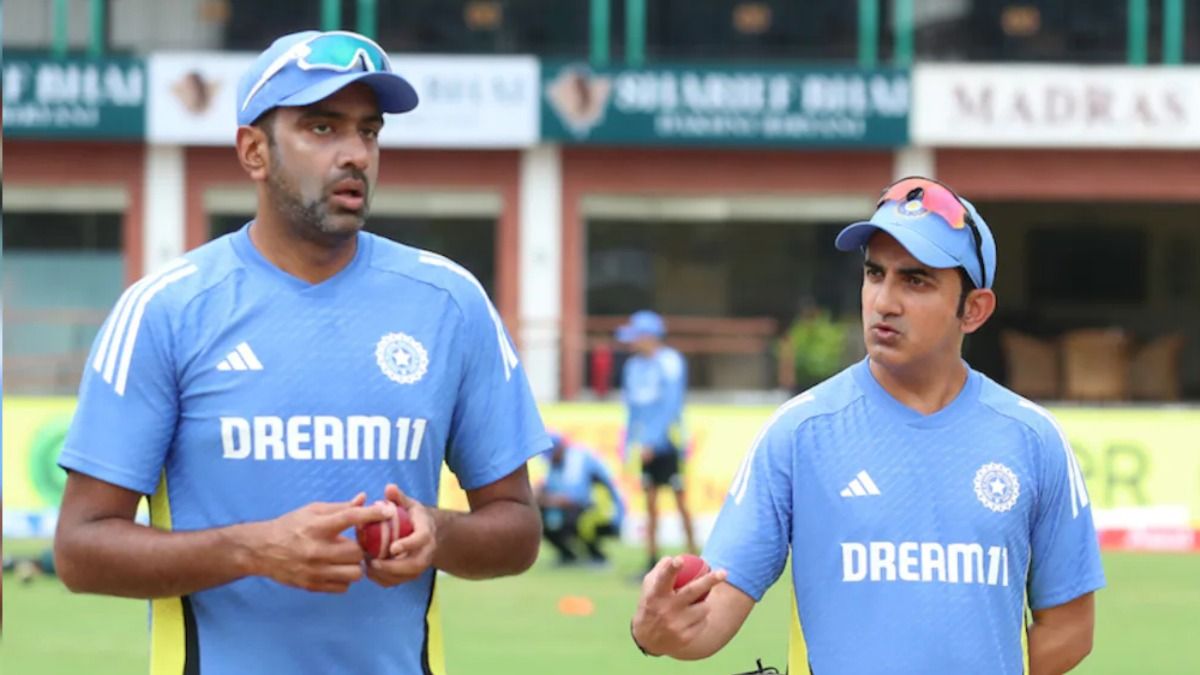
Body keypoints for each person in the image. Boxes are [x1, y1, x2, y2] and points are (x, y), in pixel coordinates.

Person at [53, 30, 549, 675]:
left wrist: (438, 531)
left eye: (368, 132)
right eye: (322, 128)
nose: (355, 155)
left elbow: (516, 529)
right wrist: (252, 550)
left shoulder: (449, 303)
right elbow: (81, 549)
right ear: (254, 151)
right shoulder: (165, 312)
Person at [630, 177, 1104, 674]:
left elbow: (1070, 629)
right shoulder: (799, 433)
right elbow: (708, 618)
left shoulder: (1033, 439)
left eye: (915, 280)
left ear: (974, 309)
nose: (884, 301)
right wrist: (655, 631)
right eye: (875, 274)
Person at [616, 310, 697, 573]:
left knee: (680, 500)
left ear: (650, 337)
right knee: (649, 502)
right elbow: (632, 410)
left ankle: (697, 558)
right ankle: (651, 561)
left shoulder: (670, 362)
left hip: (669, 443)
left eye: (636, 336)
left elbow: (671, 406)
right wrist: (629, 443)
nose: (632, 342)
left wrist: (653, 439)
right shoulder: (633, 367)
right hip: (647, 448)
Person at [537, 433, 626, 567]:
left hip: (606, 514)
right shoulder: (557, 463)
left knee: (578, 517)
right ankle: (568, 555)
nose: (549, 460)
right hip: (588, 509)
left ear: (560, 448)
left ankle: (597, 556)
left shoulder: (576, 459)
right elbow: (548, 489)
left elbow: (573, 499)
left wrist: (541, 500)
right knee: (537, 516)